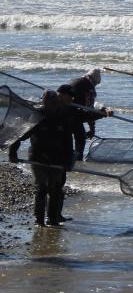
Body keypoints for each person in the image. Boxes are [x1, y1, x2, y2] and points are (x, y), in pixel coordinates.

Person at [8, 87, 110, 226]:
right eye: (48, 102)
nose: (51, 105)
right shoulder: (36, 116)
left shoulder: (64, 117)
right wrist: (12, 152)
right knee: (42, 188)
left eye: (53, 102)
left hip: (58, 158)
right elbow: (20, 135)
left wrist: (68, 161)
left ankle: (53, 219)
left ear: (57, 102)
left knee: (55, 189)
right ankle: (39, 220)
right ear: (44, 102)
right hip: (38, 158)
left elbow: (69, 141)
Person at [69, 68, 101, 161]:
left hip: (63, 112)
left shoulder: (76, 80)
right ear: (95, 81)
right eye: (96, 84)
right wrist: (92, 129)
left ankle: (70, 155)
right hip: (73, 114)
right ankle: (78, 159)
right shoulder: (89, 87)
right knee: (80, 136)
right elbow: (89, 109)